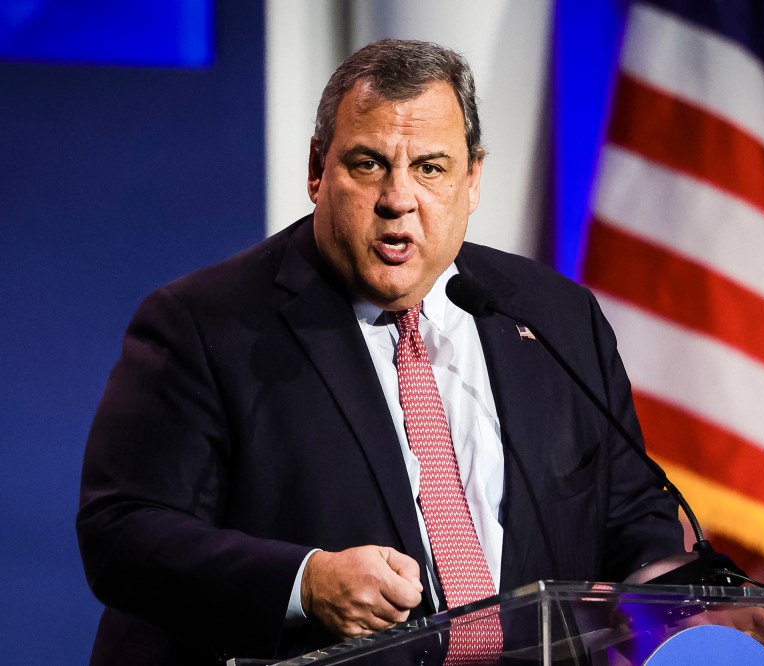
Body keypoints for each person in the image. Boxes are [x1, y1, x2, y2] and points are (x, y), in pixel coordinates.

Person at [77, 39, 687, 665]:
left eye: (431, 168)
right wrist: (305, 584)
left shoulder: (553, 317)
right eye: (369, 164)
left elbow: (631, 516)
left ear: (472, 179)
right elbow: (122, 533)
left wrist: (696, 603)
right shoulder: (204, 326)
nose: (399, 198)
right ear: (318, 170)